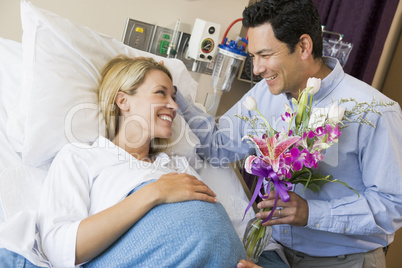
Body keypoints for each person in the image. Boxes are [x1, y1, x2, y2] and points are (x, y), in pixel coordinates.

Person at [176, 0, 402, 267]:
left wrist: (311, 213)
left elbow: (393, 205)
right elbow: (218, 146)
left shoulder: (373, 111)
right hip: (274, 253)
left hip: (343, 260)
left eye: (265, 55)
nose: (257, 69)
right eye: (253, 57)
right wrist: (175, 94)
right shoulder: (264, 95)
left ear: (304, 46)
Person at [0, 56, 249, 267]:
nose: (173, 106)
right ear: (123, 101)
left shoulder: (176, 165)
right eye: (161, 93)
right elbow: (58, 247)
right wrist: (153, 193)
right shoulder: (82, 157)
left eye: (173, 96)